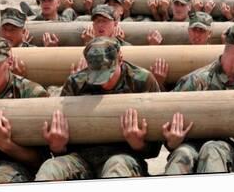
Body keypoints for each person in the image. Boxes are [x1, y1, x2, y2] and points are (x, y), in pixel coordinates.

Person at [34, 37, 162, 181]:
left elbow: (155, 149)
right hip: (82, 158)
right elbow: (63, 145)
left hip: (123, 156)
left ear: (120, 59)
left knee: (117, 168)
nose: (103, 82)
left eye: (108, 73)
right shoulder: (76, 83)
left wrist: (138, 144)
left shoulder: (142, 81)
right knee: (50, 168)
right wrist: (58, 147)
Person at [162, 24, 234, 175]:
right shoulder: (196, 81)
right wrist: (172, 141)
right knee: (182, 154)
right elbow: (168, 132)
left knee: (212, 150)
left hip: (225, 151)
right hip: (191, 147)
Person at [0, 37, 49, 184]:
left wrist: (5, 145)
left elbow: (40, 160)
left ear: (9, 62)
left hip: (12, 167)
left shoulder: (33, 94)